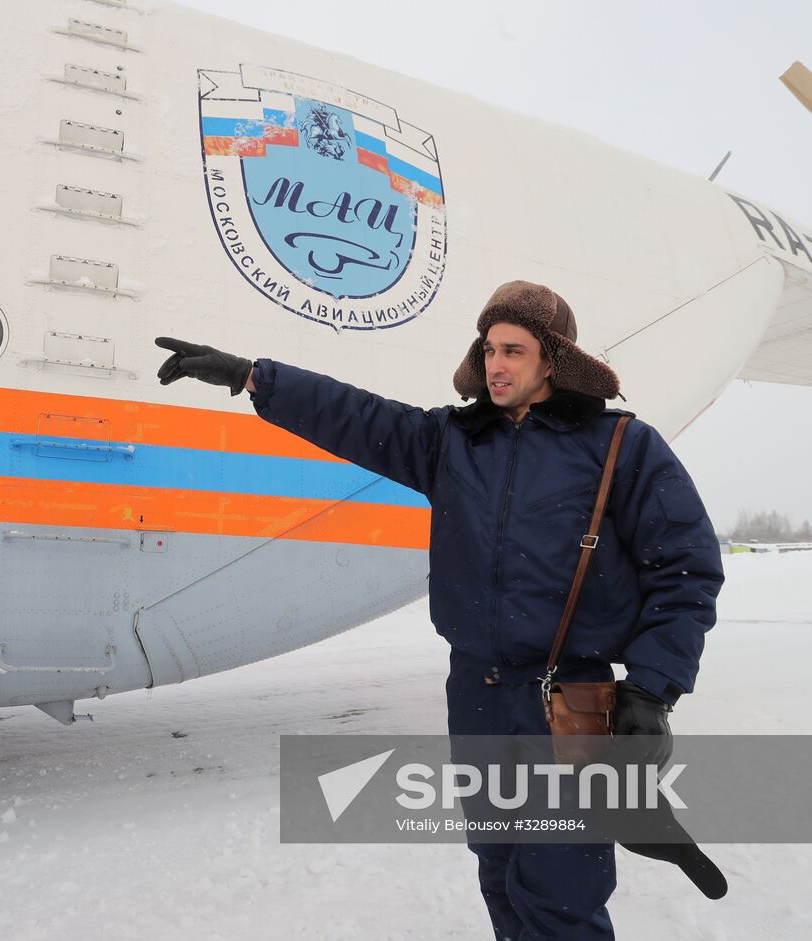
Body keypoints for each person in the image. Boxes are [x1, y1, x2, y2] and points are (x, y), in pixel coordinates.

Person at [155, 280, 725, 940]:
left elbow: (687, 569)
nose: (497, 364)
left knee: (561, 889)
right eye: (488, 349)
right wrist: (253, 378)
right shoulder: (452, 440)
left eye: (514, 349)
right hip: (477, 692)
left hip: (570, 700)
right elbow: (356, 416)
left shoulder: (621, 445)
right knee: (500, 869)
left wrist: (653, 689)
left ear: (553, 358)